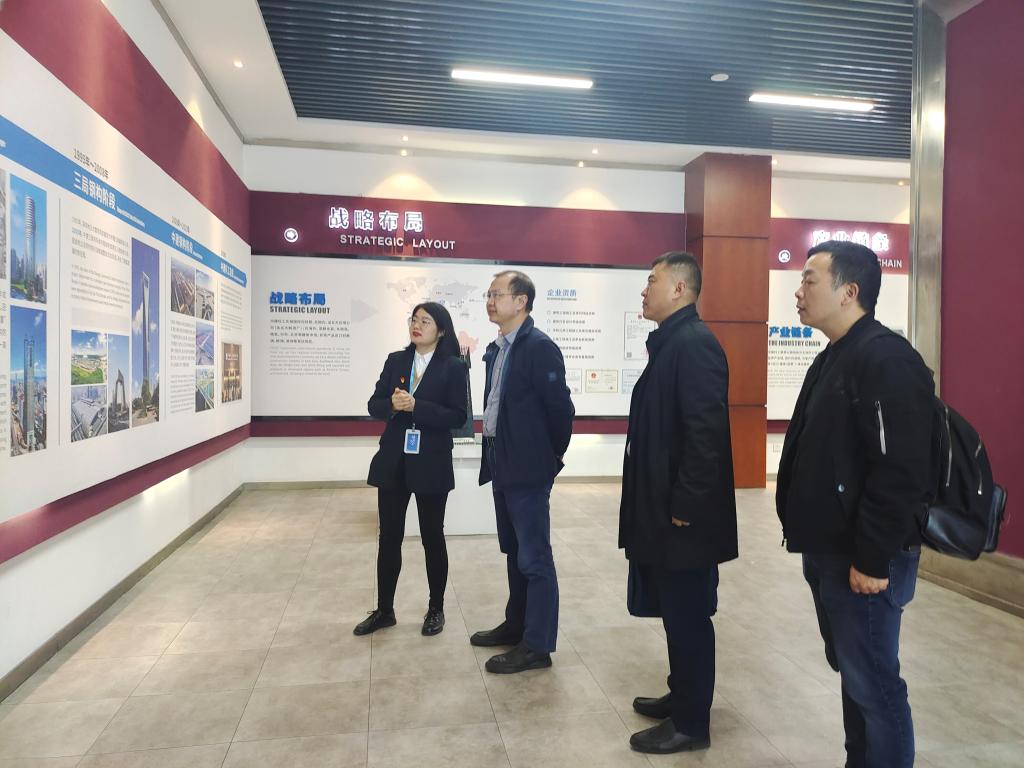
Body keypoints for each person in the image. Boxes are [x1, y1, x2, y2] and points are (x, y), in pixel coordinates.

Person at [777, 241, 934, 768]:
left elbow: (901, 471)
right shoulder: (835, 356)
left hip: (863, 558)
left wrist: (871, 559)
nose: (798, 292)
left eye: (809, 280)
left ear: (849, 292)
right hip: (831, 549)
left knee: (875, 683)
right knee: (856, 675)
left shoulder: (887, 359)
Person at [618, 251, 737, 754]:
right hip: (664, 508)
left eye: (652, 281)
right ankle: (681, 693)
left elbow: (705, 435)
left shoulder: (694, 344)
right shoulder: (672, 342)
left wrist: (686, 503)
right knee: (675, 610)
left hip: (684, 517)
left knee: (688, 615)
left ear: (680, 289)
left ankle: (691, 722)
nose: (644, 290)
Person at [470, 270, 575, 674]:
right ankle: (517, 624)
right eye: (488, 294)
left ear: (521, 302)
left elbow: (561, 411)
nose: (490, 301)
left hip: (528, 469)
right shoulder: (498, 348)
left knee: (534, 557)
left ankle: (537, 645)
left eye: (497, 294)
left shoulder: (539, 347)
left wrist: (548, 458)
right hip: (502, 463)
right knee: (514, 552)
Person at [355, 302, 468, 637]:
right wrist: (391, 404)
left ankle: (436, 609)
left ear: (441, 330)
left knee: (432, 536)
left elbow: (457, 416)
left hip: (431, 459)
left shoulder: (453, 366)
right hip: (394, 460)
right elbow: (374, 404)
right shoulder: (396, 360)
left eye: (425, 321)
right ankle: (384, 610)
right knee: (389, 537)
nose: (417, 325)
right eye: (414, 320)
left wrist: (418, 406)